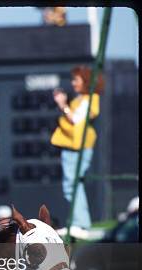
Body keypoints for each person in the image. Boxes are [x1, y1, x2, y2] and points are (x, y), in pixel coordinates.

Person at [51, 65, 104, 240]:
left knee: (73, 185)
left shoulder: (90, 99)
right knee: (70, 185)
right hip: (71, 147)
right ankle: (78, 222)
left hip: (78, 148)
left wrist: (62, 104)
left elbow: (75, 119)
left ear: (86, 81)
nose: (73, 83)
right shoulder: (81, 99)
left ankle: (81, 224)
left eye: (76, 80)